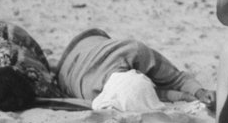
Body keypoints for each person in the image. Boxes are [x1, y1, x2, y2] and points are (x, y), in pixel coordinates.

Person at [55, 28, 214, 108]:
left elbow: (176, 78)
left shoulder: (135, 51)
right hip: (70, 65)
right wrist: (183, 96)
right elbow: (147, 94)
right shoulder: (95, 94)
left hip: (85, 48)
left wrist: (199, 92)